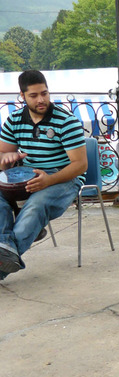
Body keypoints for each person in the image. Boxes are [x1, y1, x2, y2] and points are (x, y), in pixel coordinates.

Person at [0, 70, 87, 280]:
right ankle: (11, 239)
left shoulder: (66, 121)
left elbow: (80, 165)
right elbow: (2, 153)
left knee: (36, 205)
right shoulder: (14, 121)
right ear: (22, 96)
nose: (41, 100)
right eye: (34, 95)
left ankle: (2, 267)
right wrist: (8, 156)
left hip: (64, 177)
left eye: (45, 93)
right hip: (28, 177)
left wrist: (49, 180)